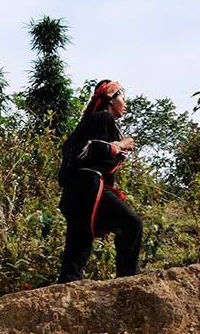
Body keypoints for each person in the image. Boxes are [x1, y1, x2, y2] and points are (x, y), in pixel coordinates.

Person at [56, 79, 142, 283]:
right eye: (123, 98)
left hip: (77, 190)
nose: (125, 104)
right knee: (131, 224)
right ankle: (127, 281)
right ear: (110, 99)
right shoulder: (102, 118)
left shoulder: (89, 122)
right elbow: (94, 149)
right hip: (88, 185)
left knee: (80, 240)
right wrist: (119, 146)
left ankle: (68, 283)